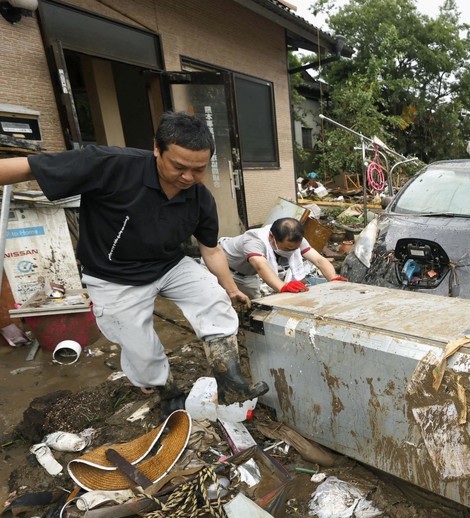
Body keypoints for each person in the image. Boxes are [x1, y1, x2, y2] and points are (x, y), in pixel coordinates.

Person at [0, 111, 268, 414]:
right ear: (157, 149)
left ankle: (230, 380)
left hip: (169, 265)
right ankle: (165, 391)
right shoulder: (110, 165)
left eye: (199, 169)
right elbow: (27, 167)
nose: (188, 177)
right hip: (113, 275)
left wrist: (232, 289)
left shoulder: (199, 197)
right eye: (179, 166)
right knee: (141, 350)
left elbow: (211, 251)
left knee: (212, 297)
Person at [219, 216, 346, 299]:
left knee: (253, 306)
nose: (291, 252)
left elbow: (318, 259)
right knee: (221, 303)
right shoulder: (254, 240)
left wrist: (333, 277)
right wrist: (282, 286)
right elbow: (260, 265)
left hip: (248, 276)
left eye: (294, 249)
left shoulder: (295, 239)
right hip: (222, 269)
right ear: (271, 237)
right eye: (287, 249)